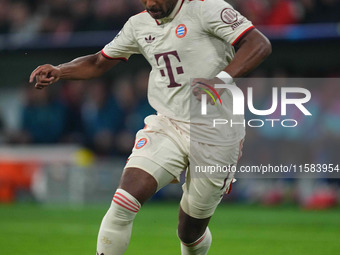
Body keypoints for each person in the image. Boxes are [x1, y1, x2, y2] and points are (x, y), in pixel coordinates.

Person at [30, 0, 271, 254]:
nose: (150, 3)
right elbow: (98, 62)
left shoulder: (207, 9)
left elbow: (259, 44)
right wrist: (60, 70)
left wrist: (219, 82)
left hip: (217, 131)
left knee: (189, 232)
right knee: (124, 200)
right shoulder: (138, 24)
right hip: (167, 123)